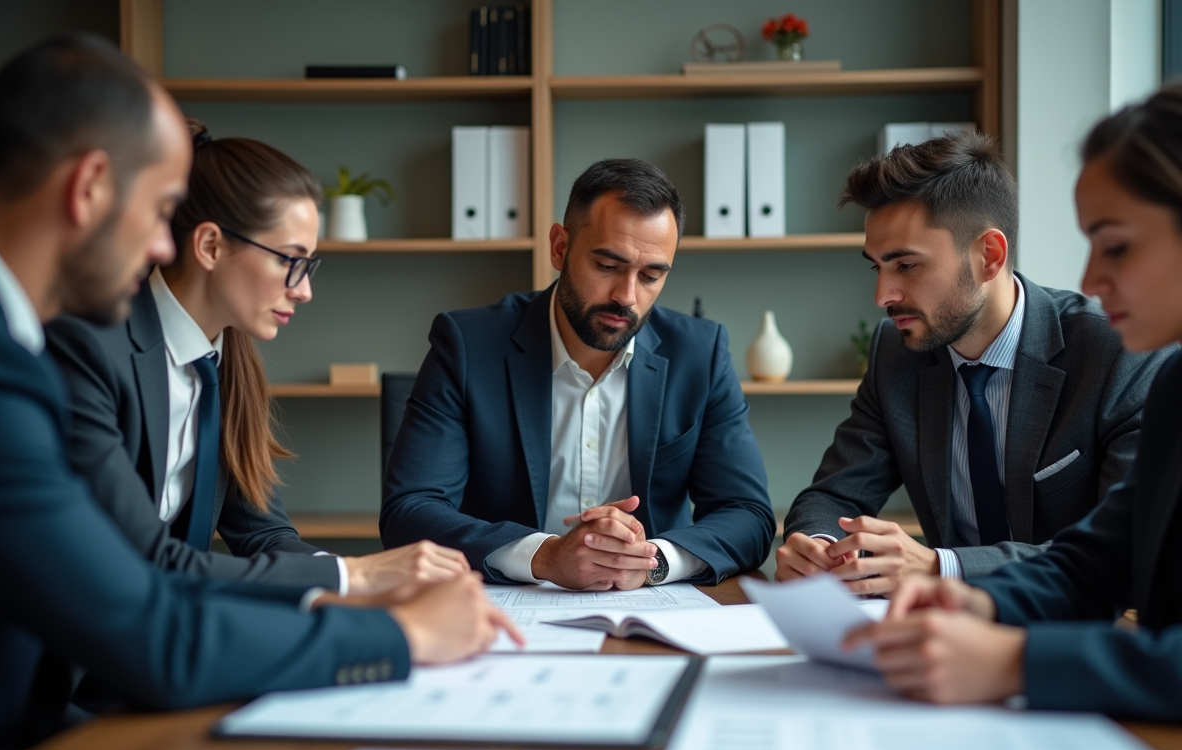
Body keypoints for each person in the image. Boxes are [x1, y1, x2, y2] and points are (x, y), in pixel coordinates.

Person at [0, 34, 519, 750]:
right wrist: (393, 625)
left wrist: (355, 596)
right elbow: (146, 607)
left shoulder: (208, 358)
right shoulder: (31, 357)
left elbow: (242, 542)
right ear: (90, 189)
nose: (160, 246)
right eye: (160, 210)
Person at [845, 83, 1182, 717]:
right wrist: (975, 602)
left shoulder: (1126, 362)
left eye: (1115, 246)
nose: (1089, 280)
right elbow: (1097, 560)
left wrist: (1011, 663)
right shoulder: (1175, 388)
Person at [45, 121, 468, 596]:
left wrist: (372, 584)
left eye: (309, 266)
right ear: (209, 246)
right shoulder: (93, 347)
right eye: (290, 261)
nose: (304, 291)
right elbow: (137, 558)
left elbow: (264, 535)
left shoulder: (226, 365)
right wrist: (358, 576)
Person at [776, 132, 1171, 594]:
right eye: (876, 267)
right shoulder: (895, 353)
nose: (883, 296)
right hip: (939, 636)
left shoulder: (1118, 352)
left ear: (990, 256)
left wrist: (942, 568)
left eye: (906, 266)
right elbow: (833, 494)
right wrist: (819, 547)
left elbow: (1128, 550)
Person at [381, 159, 775, 589]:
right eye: (607, 266)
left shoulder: (699, 353)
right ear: (559, 247)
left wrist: (650, 561)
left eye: (650, 275)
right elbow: (409, 511)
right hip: (504, 609)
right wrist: (545, 556)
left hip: (650, 611)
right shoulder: (467, 345)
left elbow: (749, 515)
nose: (627, 297)